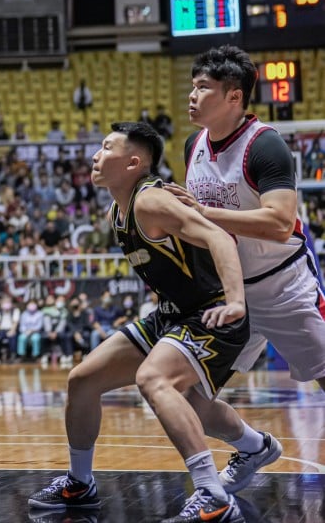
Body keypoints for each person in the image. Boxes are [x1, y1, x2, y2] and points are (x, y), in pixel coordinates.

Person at [28, 122, 249, 523]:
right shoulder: (119, 210)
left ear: (133, 162)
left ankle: (211, 493)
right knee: (83, 380)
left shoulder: (151, 202)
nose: (96, 154)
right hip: (174, 313)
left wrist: (235, 301)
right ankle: (80, 483)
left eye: (106, 147)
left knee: (155, 380)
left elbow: (219, 237)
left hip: (213, 312)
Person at [165, 44, 325, 492]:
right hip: (229, 293)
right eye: (192, 86)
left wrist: (202, 212)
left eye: (203, 88)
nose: (192, 96)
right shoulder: (193, 144)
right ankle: (254, 447)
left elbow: (278, 224)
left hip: (285, 286)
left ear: (234, 97)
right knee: (185, 390)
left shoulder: (266, 144)